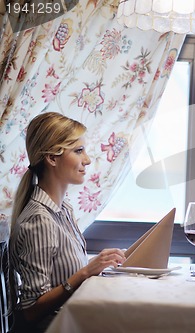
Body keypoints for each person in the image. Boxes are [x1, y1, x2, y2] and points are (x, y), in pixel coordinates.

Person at [9, 112, 126, 332]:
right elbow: (31, 309)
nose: (88, 160)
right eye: (78, 151)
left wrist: (103, 263)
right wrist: (85, 272)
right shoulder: (39, 220)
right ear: (52, 158)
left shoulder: (63, 209)